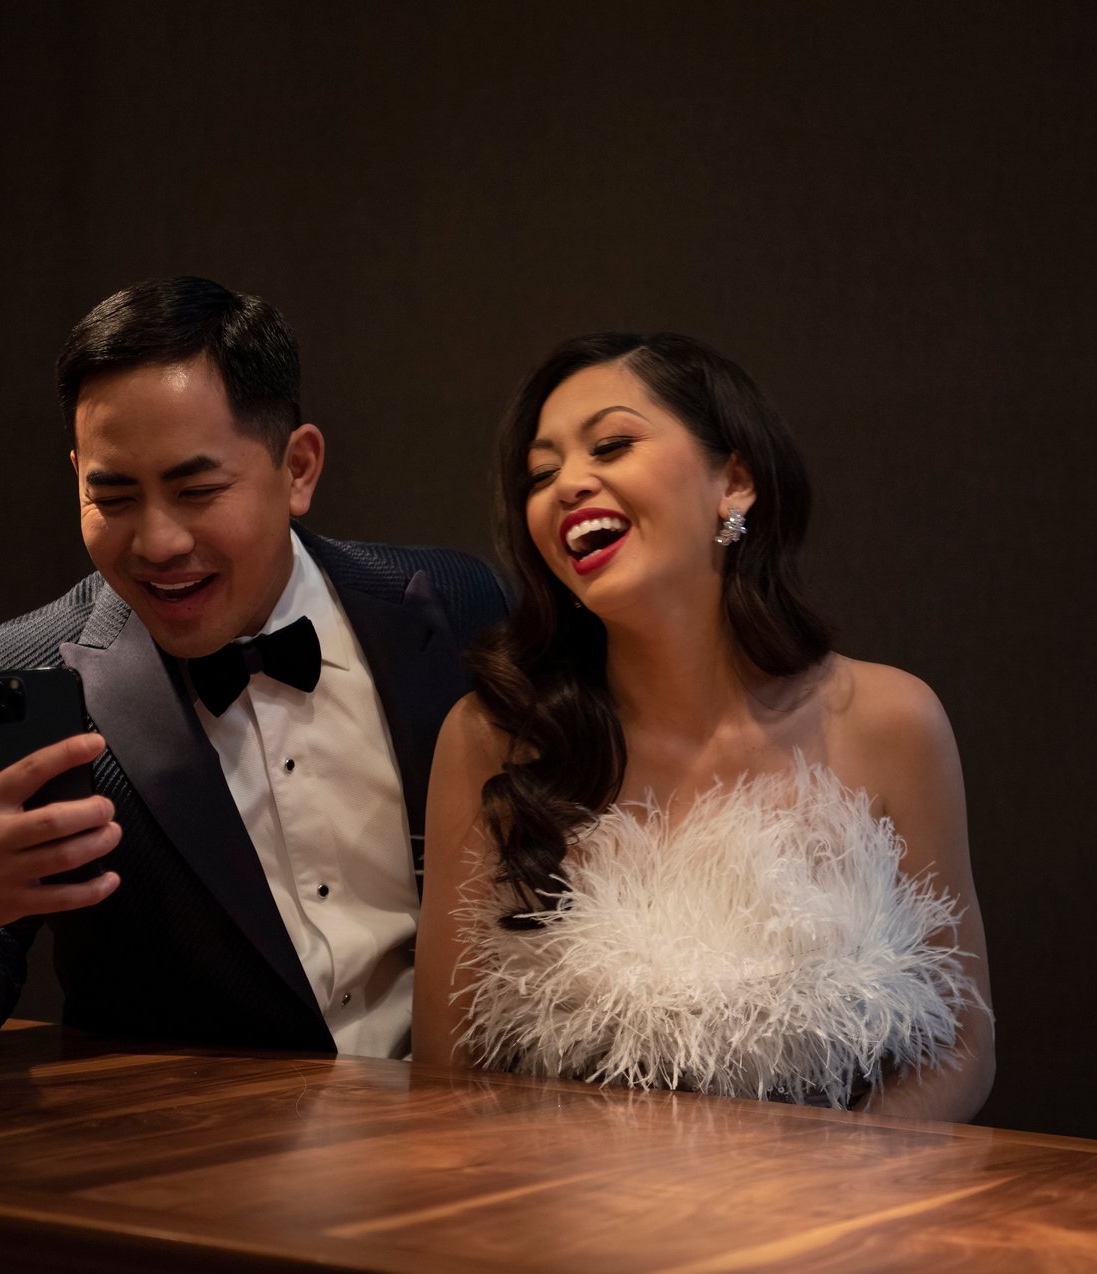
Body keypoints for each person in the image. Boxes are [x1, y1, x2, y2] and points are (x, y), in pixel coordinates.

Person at [0, 276, 509, 1062]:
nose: (157, 542)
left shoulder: (456, 604)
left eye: (197, 489)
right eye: (114, 496)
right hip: (192, 1165)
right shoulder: (16, 675)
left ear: (298, 468)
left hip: (466, 1152)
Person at [412, 333, 994, 1121]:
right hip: (565, 1223)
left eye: (611, 445)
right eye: (542, 474)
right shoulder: (494, 737)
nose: (569, 486)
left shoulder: (891, 721)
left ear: (737, 482)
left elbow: (961, 1046)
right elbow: (448, 1072)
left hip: (831, 1224)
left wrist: (827, 1199)